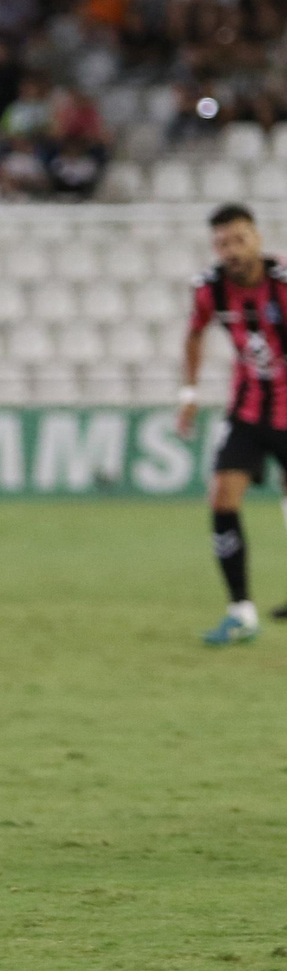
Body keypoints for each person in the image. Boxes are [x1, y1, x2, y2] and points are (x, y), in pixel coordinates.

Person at [179, 204, 287, 644]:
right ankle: (241, 612)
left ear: (257, 239)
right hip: (246, 410)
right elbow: (194, 332)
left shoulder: (283, 285)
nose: (232, 251)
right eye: (223, 243)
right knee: (222, 497)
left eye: (239, 239)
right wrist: (188, 394)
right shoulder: (211, 290)